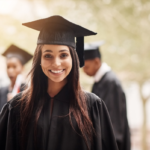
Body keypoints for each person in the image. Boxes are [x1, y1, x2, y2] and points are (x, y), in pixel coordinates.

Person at [0, 16, 118, 150]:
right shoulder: (17, 107)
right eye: (48, 55)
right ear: (39, 59)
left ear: (73, 58)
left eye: (63, 55)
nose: (56, 63)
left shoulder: (92, 106)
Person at [83, 42, 131, 150]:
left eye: (86, 67)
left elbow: (114, 120)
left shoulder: (110, 83)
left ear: (96, 61)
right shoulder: (100, 81)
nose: (84, 71)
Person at [0, 44, 32, 110]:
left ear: (22, 68)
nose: (10, 70)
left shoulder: (27, 91)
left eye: (14, 67)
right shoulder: (2, 90)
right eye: (8, 67)